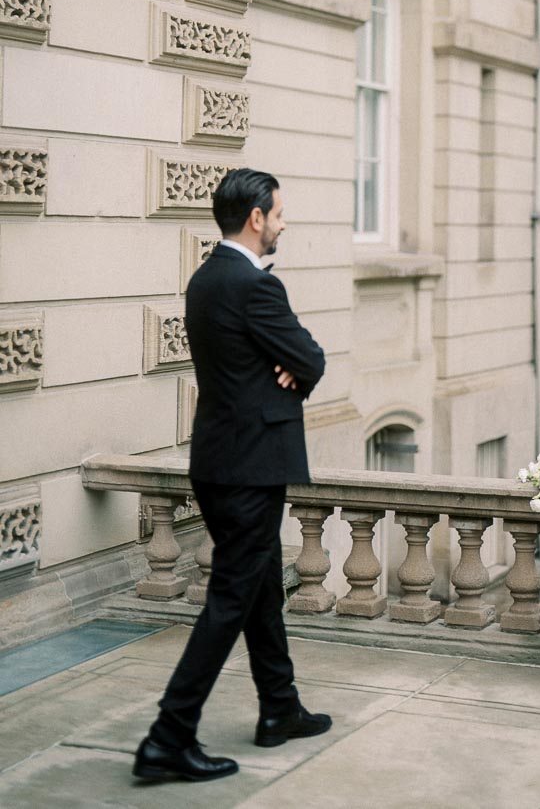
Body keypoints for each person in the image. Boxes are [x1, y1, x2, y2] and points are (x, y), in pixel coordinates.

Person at [133, 168, 331, 783]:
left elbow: (266, 362)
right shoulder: (254, 285)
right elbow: (311, 358)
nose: (282, 223)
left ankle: (279, 708)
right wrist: (295, 365)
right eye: (278, 213)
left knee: (260, 584)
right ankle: (169, 736)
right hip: (250, 467)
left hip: (218, 460)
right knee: (230, 599)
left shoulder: (204, 279)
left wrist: (286, 365)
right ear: (256, 217)